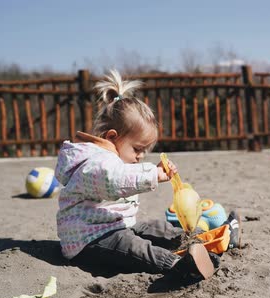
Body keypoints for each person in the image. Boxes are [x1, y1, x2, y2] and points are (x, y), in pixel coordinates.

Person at [55, 69, 237, 281]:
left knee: (157, 228)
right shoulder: (94, 162)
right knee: (134, 247)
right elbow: (115, 180)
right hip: (89, 240)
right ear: (113, 137)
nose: (141, 157)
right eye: (137, 149)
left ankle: (207, 240)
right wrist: (153, 173)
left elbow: (123, 173)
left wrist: (155, 170)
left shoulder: (111, 159)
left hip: (117, 225)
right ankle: (180, 266)